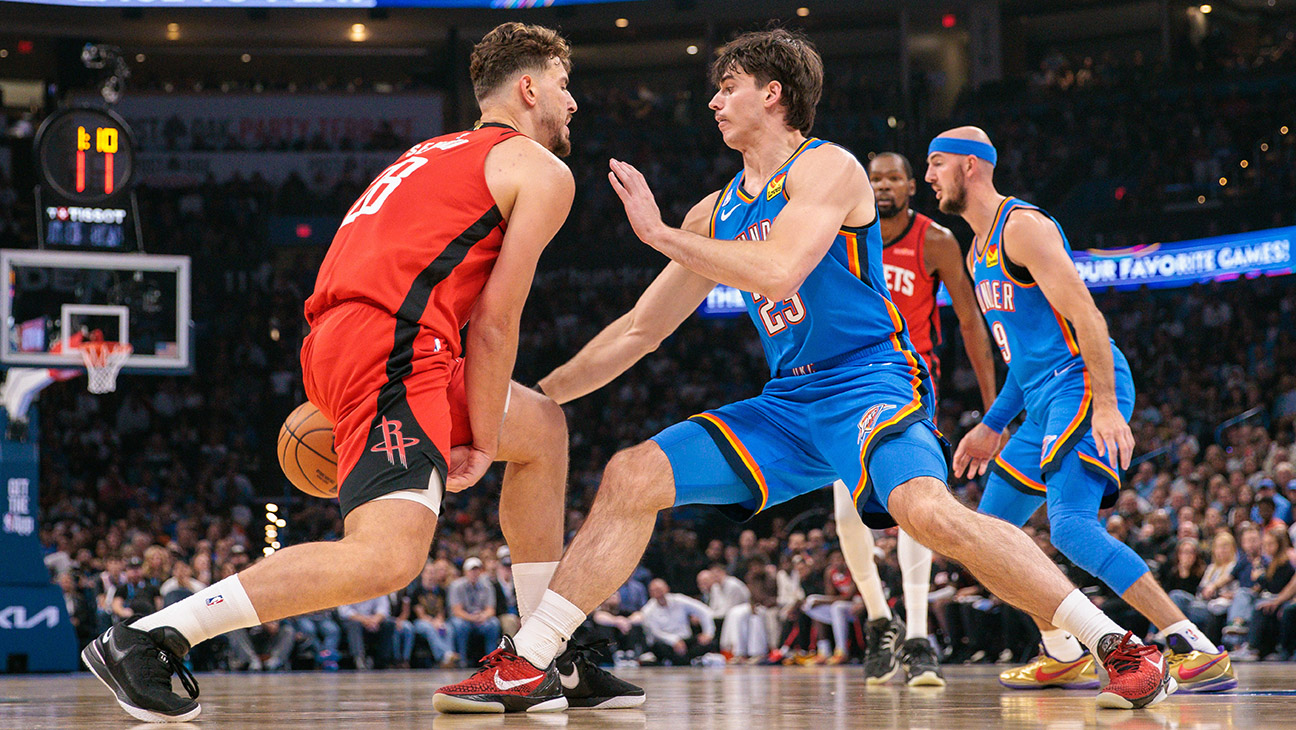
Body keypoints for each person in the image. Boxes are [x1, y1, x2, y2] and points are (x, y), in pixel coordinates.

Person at [438, 29, 1170, 712]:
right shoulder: (715, 210)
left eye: (728, 86)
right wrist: (534, 399)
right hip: (788, 404)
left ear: (775, 93)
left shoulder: (828, 166)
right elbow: (638, 330)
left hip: (871, 380)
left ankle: (1118, 644)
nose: (714, 101)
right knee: (632, 474)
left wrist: (658, 233)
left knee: (926, 512)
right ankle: (532, 659)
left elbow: (781, 271)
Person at [83, 22, 638, 721]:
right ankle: (151, 637)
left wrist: (487, 420)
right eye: (564, 85)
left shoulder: (430, 152)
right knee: (387, 558)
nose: (573, 102)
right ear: (528, 88)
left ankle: (540, 655)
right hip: (395, 347)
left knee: (544, 428)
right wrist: (481, 441)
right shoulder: (540, 168)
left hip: (356, 337)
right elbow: (496, 321)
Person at [932, 125, 1234, 694]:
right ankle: (1061, 650)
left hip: (1080, 384)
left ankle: (1193, 646)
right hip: (1040, 395)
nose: (929, 177)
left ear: (971, 166)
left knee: (1070, 528)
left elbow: (1088, 319)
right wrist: (992, 426)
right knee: (988, 535)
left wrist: (1107, 405)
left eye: (937, 163)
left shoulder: (1023, 228)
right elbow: (1023, 359)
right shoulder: (976, 252)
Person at [833, 151, 999, 687]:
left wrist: (992, 402)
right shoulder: (837, 234)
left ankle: (920, 635)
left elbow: (970, 322)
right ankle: (882, 620)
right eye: (874, 177)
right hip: (846, 383)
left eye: (893, 178)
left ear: (911, 186)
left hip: (908, 382)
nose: (882, 186)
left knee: (914, 506)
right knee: (845, 515)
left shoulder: (935, 240)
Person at [635, 579, 716, 665]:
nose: (658, 592)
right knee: (659, 647)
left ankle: (685, 660)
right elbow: (656, 632)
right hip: (666, 643)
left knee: (708, 643)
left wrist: (708, 633)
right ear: (650, 593)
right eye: (654, 590)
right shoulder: (648, 610)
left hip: (686, 640)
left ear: (667, 588)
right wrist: (674, 641)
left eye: (660, 589)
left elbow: (704, 611)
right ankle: (686, 660)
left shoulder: (679, 600)